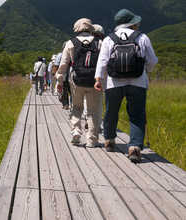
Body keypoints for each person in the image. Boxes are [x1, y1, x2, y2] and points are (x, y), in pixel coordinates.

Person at [94, 9, 158, 163]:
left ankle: (109, 140)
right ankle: (135, 148)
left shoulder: (109, 39)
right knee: (137, 115)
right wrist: (146, 70)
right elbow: (152, 60)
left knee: (111, 111)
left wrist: (98, 78)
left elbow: (102, 60)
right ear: (132, 23)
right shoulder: (142, 37)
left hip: (113, 82)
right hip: (138, 82)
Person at [56, 18, 102, 148]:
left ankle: (76, 130)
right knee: (93, 111)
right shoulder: (99, 42)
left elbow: (63, 64)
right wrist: (101, 80)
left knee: (76, 107)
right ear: (90, 28)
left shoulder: (71, 43)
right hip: (94, 81)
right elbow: (104, 62)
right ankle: (92, 140)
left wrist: (59, 81)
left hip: (76, 80)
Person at [54, 42, 70, 108]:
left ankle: (65, 104)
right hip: (71, 74)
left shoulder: (60, 55)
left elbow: (56, 66)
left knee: (64, 89)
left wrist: (56, 74)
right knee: (71, 90)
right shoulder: (73, 54)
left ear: (63, 47)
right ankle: (73, 104)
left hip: (63, 74)